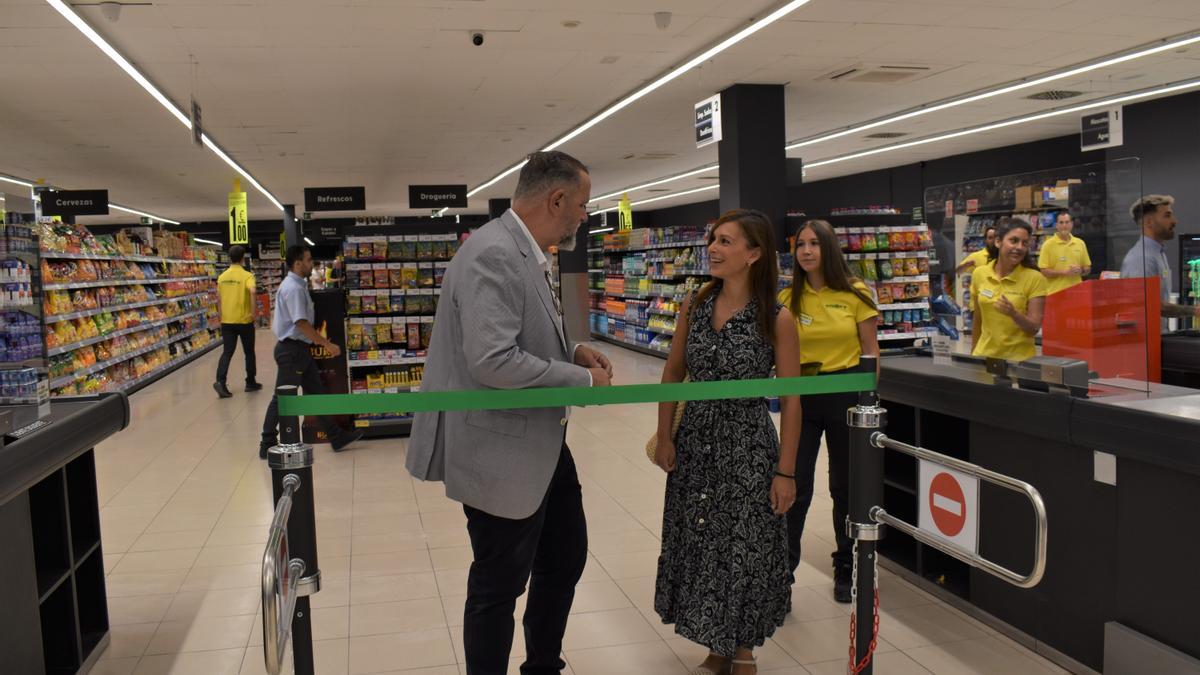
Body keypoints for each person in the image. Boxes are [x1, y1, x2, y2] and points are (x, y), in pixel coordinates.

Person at [405, 151, 613, 675]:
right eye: (582, 205)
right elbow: (493, 360)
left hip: (541, 441)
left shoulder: (527, 249)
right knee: (498, 586)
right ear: (557, 199)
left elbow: (521, 333)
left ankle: (543, 664)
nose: (584, 216)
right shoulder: (493, 254)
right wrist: (582, 379)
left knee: (565, 556)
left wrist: (570, 352)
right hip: (500, 448)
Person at [653, 209, 801, 675]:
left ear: (754, 254)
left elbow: (793, 402)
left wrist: (786, 471)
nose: (713, 248)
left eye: (726, 241)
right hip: (695, 440)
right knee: (701, 540)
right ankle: (715, 645)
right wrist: (663, 435)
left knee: (745, 544)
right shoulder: (694, 306)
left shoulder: (777, 319)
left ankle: (741, 649)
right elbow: (674, 372)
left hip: (748, 445)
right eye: (713, 239)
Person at [778, 219, 879, 604]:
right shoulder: (789, 298)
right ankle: (782, 577)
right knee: (793, 486)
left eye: (814, 244)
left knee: (845, 487)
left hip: (846, 394)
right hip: (800, 397)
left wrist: (870, 399)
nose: (806, 251)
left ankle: (846, 568)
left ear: (829, 249)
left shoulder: (854, 292)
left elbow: (870, 350)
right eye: (800, 244)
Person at [259, 245, 363, 458]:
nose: (311, 263)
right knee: (282, 398)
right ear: (297, 263)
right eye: (308, 260)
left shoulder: (296, 285)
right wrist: (326, 344)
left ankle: (335, 436)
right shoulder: (294, 288)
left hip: (299, 350)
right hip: (292, 351)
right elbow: (301, 324)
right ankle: (266, 442)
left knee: (317, 394)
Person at [971, 218, 1047, 361]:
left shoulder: (1035, 278)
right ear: (998, 242)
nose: (1019, 247)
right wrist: (973, 358)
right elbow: (977, 320)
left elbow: (1034, 329)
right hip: (984, 358)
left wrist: (1014, 314)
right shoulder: (979, 274)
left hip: (1019, 362)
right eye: (1014, 240)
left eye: (1025, 243)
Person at [1120, 195, 1200, 326]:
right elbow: (1151, 305)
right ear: (1149, 222)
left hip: (1157, 336)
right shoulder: (1141, 258)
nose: (1175, 221)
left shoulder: (1157, 253)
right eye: (1167, 216)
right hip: (1145, 342)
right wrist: (1195, 310)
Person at [213, 244, 261, 397]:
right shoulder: (247, 276)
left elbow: (219, 299)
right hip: (244, 320)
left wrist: (221, 316)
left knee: (227, 352)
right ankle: (250, 382)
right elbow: (253, 291)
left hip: (227, 320)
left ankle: (220, 381)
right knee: (249, 352)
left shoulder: (222, 277)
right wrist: (253, 313)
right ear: (243, 258)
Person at [1039, 211, 1091, 294]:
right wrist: (1064, 272)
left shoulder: (1080, 243)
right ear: (1057, 225)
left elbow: (1087, 268)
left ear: (1072, 224)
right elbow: (1044, 271)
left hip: (1077, 293)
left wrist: (1081, 270)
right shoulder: (1047, 245)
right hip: (1056, 294)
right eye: (1061, 222)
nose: (1064, 225)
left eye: (1067, 222)